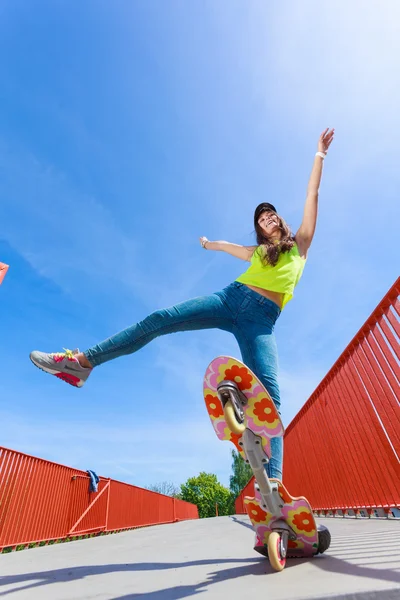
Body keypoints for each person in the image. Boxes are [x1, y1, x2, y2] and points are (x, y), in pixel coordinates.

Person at [30, 128, 335, 480]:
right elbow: (227, 247)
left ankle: (275, 489)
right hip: (229, 298)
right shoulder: (257, 253)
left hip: (261, 322)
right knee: (160, 319)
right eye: (260, 218)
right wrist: (208, 245)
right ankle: (83, 362)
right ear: (260, 230)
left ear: (280, 220)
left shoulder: (301, 245)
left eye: (270, 214)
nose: (266, 218)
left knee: (270, 401)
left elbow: (312, 193)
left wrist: (320, 155)